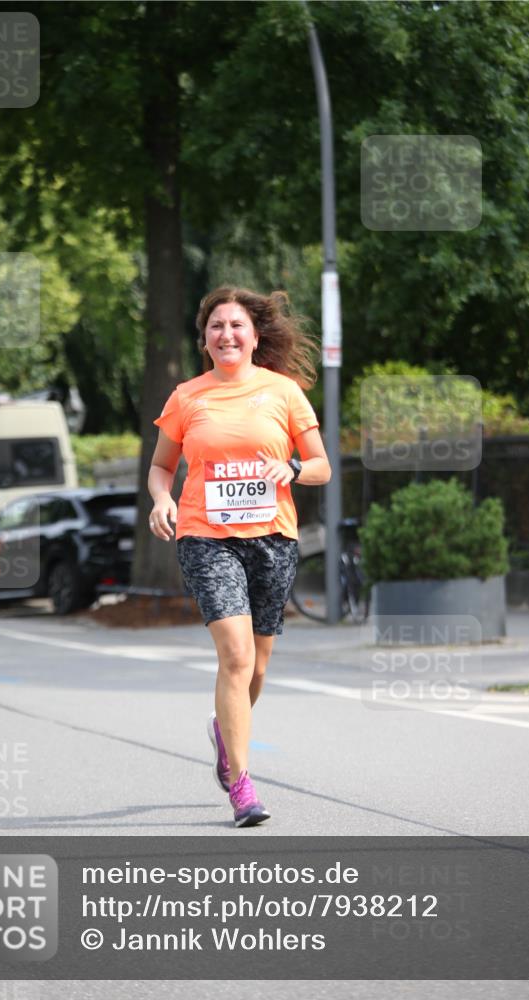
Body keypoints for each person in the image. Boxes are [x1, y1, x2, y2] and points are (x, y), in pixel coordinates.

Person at [147, 286, 331, 827]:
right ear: (205, 339)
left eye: (236, 326)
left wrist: (293, 469)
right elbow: (162, 467)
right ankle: (242, 786)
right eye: (216, 327)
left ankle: (224, 736)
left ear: (254, 337)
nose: (226, 334)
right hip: (206, 536)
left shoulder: (284, 392)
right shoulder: (187, 397)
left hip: (273, 537)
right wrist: (163, 498)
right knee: (235, 656)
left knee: (259, 663)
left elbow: (321, 465)